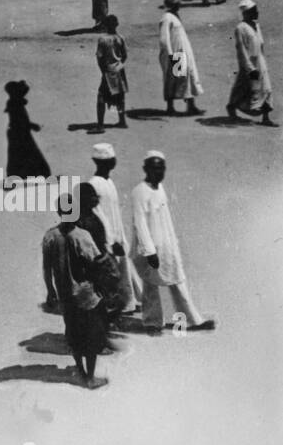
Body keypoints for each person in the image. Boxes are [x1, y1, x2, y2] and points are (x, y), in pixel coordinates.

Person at [130, 153, 215, 335]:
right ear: (146, 169)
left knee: (178, 280)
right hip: (150, 247)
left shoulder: (160, 188)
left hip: (167, 245)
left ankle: (193, 320)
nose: (159, 172)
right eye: (154, 168)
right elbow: (140, 223)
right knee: (150, 284)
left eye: (161, 168)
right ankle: (152, 323)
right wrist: (149, 251)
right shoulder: (140, 192)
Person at [41, 191, 110, 388]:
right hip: (86, 296)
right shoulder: (82, 236)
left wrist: (50, 291)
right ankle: (90, 378)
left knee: (73, 335)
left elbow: (46, 268)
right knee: (90, 337)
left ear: (59, 211)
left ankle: (80, 371)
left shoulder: (50, 236)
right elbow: (97, 263)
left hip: (65, 296)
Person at [89, 142, 140, 316]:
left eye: (112, 159)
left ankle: (130, 301)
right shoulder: (94, 184)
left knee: (124, 268)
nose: (112, 162)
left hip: (118, 235)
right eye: (108, 160)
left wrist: (120, 236)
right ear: (99, 163)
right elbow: (99, 215)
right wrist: (111, 240)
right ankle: (121, 305)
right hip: (108, 238)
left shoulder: (109, 181)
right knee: (114, 272)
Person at [227, 0, 275, 125]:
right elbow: (241, 50)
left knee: (266, 88)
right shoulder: (241, 28)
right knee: (243, 88)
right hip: (249, 64)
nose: (257, 12)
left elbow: (261, 44)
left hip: (260, 61)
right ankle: (231, 109)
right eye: (254, 11)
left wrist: (263, 62)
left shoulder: (256, 26)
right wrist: (250, 68)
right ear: (246, 13)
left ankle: (266, 118)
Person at [158, 0, 203, 116]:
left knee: (187, 76)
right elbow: (164, 38)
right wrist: (170, 55)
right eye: (177, 4)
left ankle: (191, 106)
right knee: (173, 79)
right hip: (175, 54)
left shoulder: (175, 16)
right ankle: (170, 107)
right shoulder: (167, 18)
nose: (179, 6)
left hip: (183, 52)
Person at [4, 80, 50, 178]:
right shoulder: (14, 103)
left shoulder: (14, 102)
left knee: (21, 153)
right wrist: (31, 125)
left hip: (19, 132)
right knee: (23, 153)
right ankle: (24, 175)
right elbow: (18, 120)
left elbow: (19, 120)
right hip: (19, 132)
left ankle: (21, 175)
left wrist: (30, 125)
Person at [95, 14, 128, 131]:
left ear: (105, 25)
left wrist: (103, 71)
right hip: (119, 70)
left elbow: (99, 57)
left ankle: (100, 125)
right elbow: (125, 56)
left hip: (108, 70)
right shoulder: (120, 38)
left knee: (101, 96)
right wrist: (119, 65)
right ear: (117, 25)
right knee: (120, 95)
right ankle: (122, 121)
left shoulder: (102, 40)